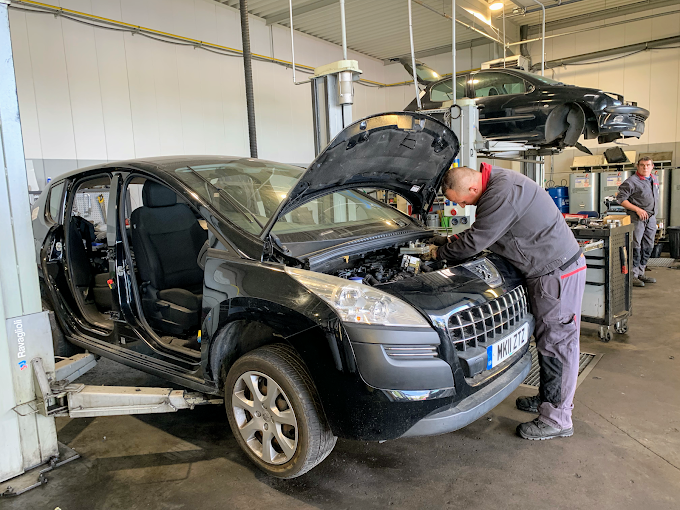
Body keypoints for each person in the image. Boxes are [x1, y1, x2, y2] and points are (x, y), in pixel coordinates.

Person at [423, 163, 586, 440]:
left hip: (556, 275)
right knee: (548, 341)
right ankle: (548, 400)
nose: (462, 205)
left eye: (461, 201)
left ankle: (558, 418)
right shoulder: (498, 183)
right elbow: (485, 231)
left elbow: (476, 241)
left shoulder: (502, 192)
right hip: (548, 271)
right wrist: (446, 239)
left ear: (473, 188)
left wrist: (439, 252)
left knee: (558, 345)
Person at [617, 157, 659, 287]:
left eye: (648, 165)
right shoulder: (631, 182)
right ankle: (632, 275)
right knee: (636, 246)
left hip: (651, 218)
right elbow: (621, 199)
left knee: (648, 245)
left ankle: (641, 271)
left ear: (652, 166)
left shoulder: (654, 179)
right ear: (637, 166)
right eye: (642, 165)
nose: (645, 167)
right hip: (637, 218)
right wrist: (638, 210)